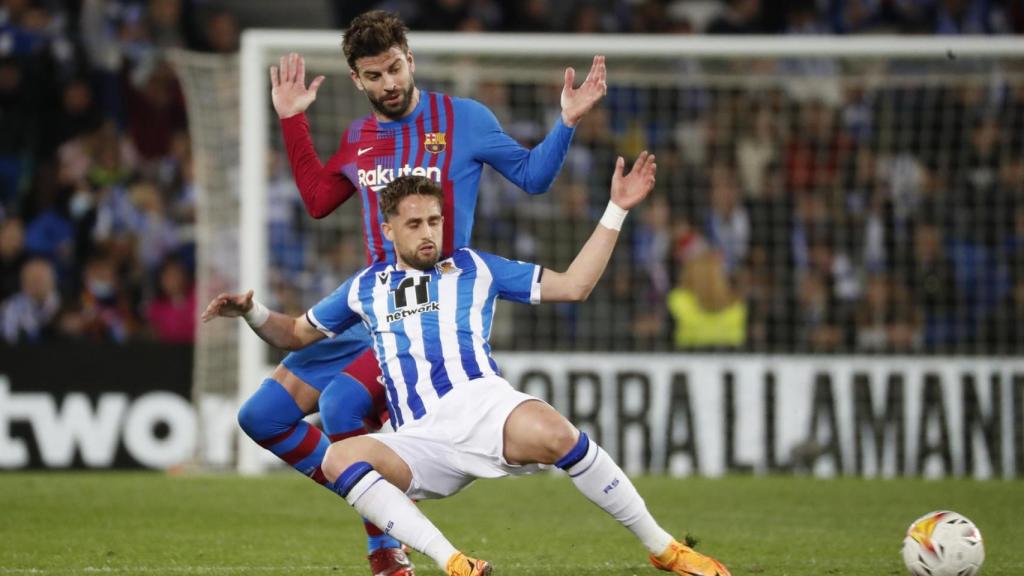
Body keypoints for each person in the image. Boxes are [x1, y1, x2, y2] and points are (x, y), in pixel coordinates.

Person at [203, 154, 731, 576]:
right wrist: (251, 312)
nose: (428, 232)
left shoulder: (475, 268)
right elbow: (295, 333)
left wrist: (616, 209)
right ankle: (453, 562)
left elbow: (574, 285)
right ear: (389, 231)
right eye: (414, 224)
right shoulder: (365, 288)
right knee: (340, 459)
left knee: (557, 433)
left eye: (434, 219)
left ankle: (664, 549)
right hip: (417, 439)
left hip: (483, 408)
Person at [240, 9, 608, 576]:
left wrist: (566, 122)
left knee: (340, 403)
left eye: (394, 69)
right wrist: (292, 120)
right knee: (261, 416)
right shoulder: (359, 138)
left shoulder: (463, 119)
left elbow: (533, 177)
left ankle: (385, 547)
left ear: (409, 60)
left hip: (430, 312)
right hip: (370, 304)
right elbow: (317, 200)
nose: (388, 84)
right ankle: (385, 500)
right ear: (356, 80)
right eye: (374, 76)